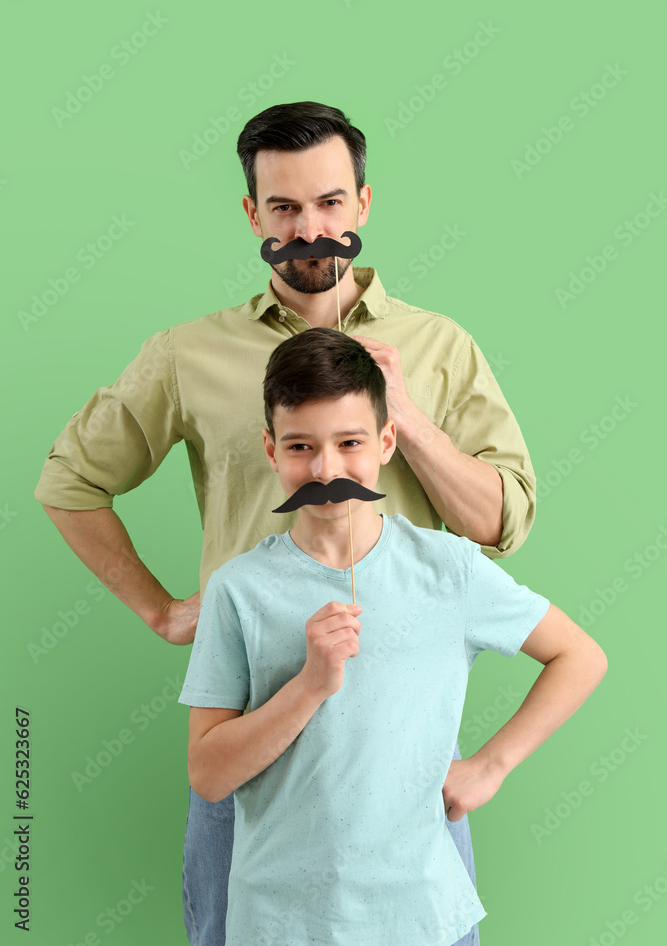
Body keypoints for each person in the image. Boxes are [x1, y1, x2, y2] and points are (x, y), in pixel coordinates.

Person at [35, 101, 537, 945]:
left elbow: (503, 523)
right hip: (247, 742)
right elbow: (70, 482)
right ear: (252, 215)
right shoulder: (188, 355)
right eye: (285, 208)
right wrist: (161, 611)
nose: (312, 229)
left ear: (364, 204)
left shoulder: (441, 347)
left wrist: (406, 417)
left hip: (399, 756)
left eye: (331, 203)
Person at [180, 327, 607, 946]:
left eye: (349, 442)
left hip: (425, 921)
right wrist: (309, 685)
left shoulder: (449, 569)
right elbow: (209, 774)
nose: (326, 469)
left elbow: (579, 656)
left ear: (386, 442)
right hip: (280, 926)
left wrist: (490, 765)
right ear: (271, 452)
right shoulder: (237, 590)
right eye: (301, 446)